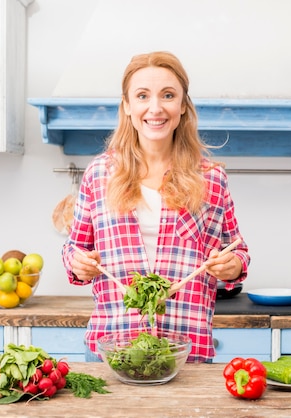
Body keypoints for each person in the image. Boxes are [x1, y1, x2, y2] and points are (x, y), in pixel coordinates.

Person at [62, 51, 250, 363]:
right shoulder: (99, 174)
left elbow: (237, 251)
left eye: (167, 95)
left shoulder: (212, 179)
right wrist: (78, 263)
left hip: (186, 354)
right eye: (142, 96)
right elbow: (74, 249)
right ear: (127, 106)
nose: (155, 108)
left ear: (183, 107)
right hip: (112, 350)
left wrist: (233, 267)